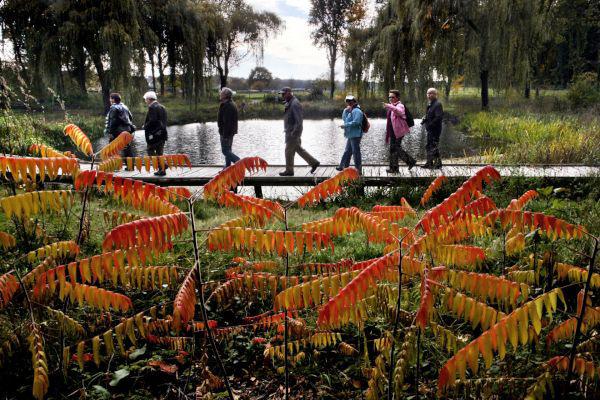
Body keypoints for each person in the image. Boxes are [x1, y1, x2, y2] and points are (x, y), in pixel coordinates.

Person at [279, 87, 320, 176]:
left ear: (289, 93)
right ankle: (314, 163)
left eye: (284, 93)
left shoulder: (294, 104)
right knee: (298, 149)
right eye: (281, 94)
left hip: (292, 133)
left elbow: (299, 121)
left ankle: (289, 171)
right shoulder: (290, 102)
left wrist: (294, 132)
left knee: (288, 152)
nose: (282, 95)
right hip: (290, 132)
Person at [383, 90, 416, 172]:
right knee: (392, 149)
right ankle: (394, 168)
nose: (390, 98)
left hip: (398, 131)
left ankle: (410, 162)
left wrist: (389, 106)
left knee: (396, 148)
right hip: (392, 131)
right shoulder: (392, 105)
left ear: (397, 98)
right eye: (389, 97)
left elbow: (399, 112)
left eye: (392, 97)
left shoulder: (400, 105)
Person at [142, 91, 168, 176]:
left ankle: (163, 166)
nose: (145, 101)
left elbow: (153, 121)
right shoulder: (162, 107)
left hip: (154, 134)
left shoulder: (152, 107)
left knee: (150, 150)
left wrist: (145, 126)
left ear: (149, 99)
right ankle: (162, 170)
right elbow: (162, 121)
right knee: (160, 152)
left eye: (146, 99)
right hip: (163, 133)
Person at [336, 94, 363, 174]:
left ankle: (358, 170)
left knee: (356, 152)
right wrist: (345, 110)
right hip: (350, 134)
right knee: (347, 151)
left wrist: (345, 125)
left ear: (354, 101)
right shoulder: (350, 110)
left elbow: (357, 122)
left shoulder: (357, 111)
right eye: (347, 101)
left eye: (350, 101)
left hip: (356, 135)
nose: (349, 102)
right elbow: (345, 119)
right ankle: (343, 167)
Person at [104, 92, 135, 158]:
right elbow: (131, 117)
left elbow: (113, 121)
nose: (109, 100)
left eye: (110, 98)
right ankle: (130, 165)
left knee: (112, 148)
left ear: (113, 99)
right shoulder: (125, 107)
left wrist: (110, 132)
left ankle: (113, 164)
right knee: (127, 148)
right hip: (127, 130)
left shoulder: (114, 108)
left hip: (117, 131)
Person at [217, 87, 240, 168]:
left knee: (225, 150)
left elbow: (228, 123)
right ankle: (227, 167)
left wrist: (225, 135)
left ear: (225, 95)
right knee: (228, 150)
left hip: (226, 132)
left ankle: (239, 162)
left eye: (221, 93)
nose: (220, 94)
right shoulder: (227, 104)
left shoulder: (228, 106)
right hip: (227, 132)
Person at [421, 87, 444, 169]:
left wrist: (430, 124)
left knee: (433, 145)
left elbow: (439, 117)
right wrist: (425, 118)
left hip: (435, 129)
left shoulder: (438, 104)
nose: (429, 95)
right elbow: (429, 115)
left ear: (435, 94)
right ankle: (430, 163)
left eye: (431, 93)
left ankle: (437, 164)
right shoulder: (430, 104)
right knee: (429, 146)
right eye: (428, 93)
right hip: (430, 129)